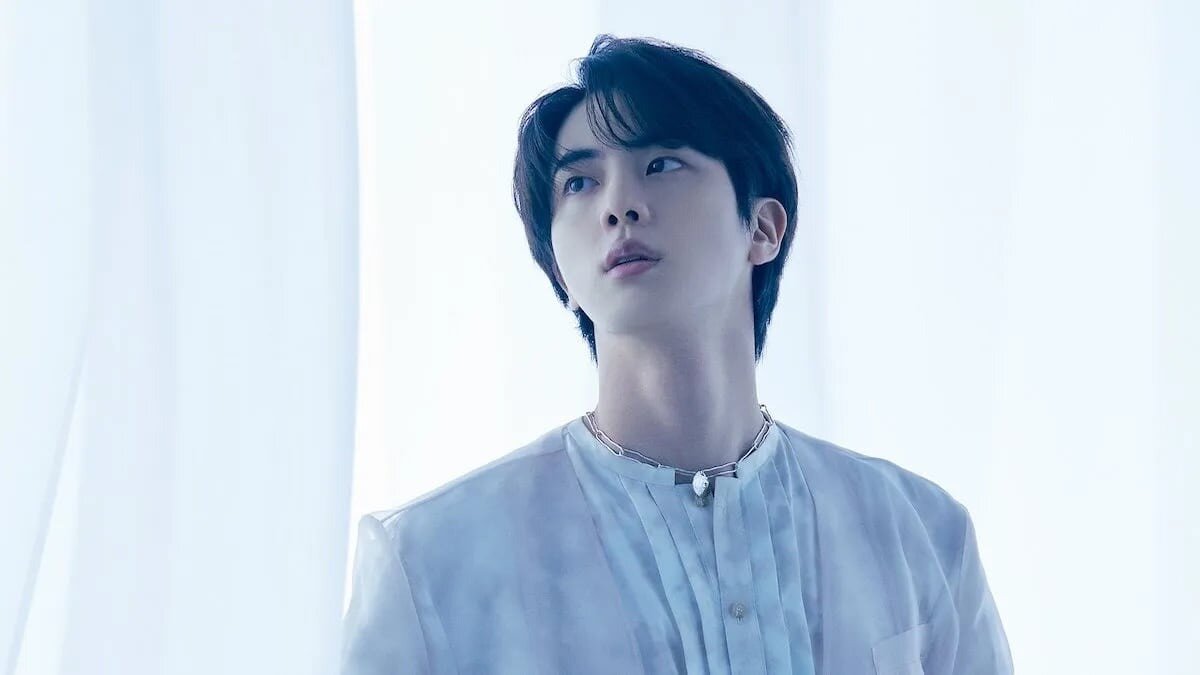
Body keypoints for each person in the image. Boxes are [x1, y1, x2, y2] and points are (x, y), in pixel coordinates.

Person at [340, 34, 1013, 674]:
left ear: (763, 227)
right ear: (558, 269)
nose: (619, 206)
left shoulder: (921, 535)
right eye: (579, 183)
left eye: (660, 164)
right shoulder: (430, 564)